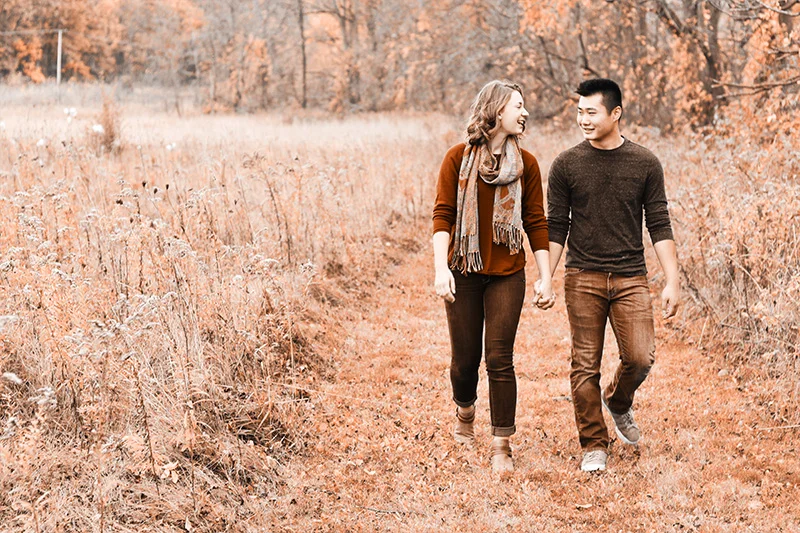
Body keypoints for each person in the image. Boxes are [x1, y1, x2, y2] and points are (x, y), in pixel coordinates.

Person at [542, 78, 680, 472]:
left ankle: (617, 400)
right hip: (582, 276)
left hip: (630, 277)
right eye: (580, 112)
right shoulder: (566, 164)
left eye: (591, 112)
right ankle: (593, 444)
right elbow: (556, 226)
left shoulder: (645, 163)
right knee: (584, 363)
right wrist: (546, 277)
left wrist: (672, 279)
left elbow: (658, 222)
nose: (583, 119)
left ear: (615, 113)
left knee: (640, 357)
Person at [432, 80, 554, 474]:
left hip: (507, 274)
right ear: (497, 111)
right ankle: (465, 412)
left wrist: (546, 276)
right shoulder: (456, 159)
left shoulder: (527, 165)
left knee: (499, 358)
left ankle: (502, 444)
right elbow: (443, 216)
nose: (524, 113)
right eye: (518, 106)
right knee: (464, 360)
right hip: (464, 271)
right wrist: (440, 268)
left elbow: (536, 221)